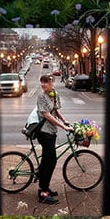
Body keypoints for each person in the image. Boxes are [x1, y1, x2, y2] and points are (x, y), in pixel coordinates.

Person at [34, 73, 70, 204]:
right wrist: (63, 127)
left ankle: (44, 188)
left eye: (46, 82)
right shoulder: (41, 96)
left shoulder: (55, 94)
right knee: (52, 161)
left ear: (52, 83)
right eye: (42, 81)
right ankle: (43, 193)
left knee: (46, 160)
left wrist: (64, 120)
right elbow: (47, 115)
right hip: (44, 132)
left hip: (51, 132)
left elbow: (55, 110)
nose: (43, 84)